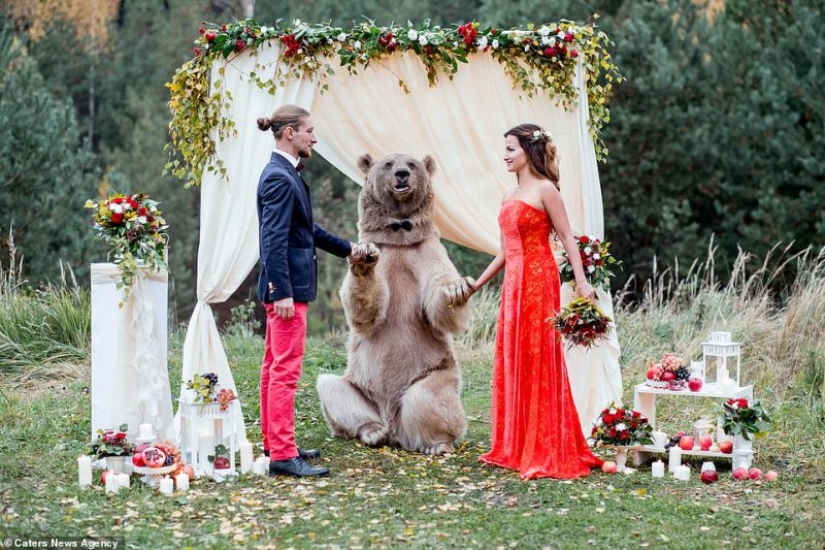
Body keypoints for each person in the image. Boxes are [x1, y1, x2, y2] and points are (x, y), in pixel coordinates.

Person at [471, 123, 603, 479]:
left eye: (511, 149)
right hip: (513, 285)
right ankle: (514, 443)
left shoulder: (546, 190)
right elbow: (504, 251)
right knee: (515, 355)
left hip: (538, 279)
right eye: (505, 149)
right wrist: (477, 285)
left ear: (528, 152)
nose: (505, 155)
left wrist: (580, 281)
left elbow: (567, 237)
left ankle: (544, 446)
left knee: (539, 354)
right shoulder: (507, 196)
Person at [256, 104, 372, 478]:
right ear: (290, 133)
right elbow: (271, 240)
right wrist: (282, 291)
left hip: (285, 287)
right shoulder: (278, 176)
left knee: (273, 367)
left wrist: (348, 248)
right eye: (309, 131)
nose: (314, 138)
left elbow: (307, 231)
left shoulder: (284, 174)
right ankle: (283, 455)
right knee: (284, 371)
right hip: (287, 291)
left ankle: (275, 443)